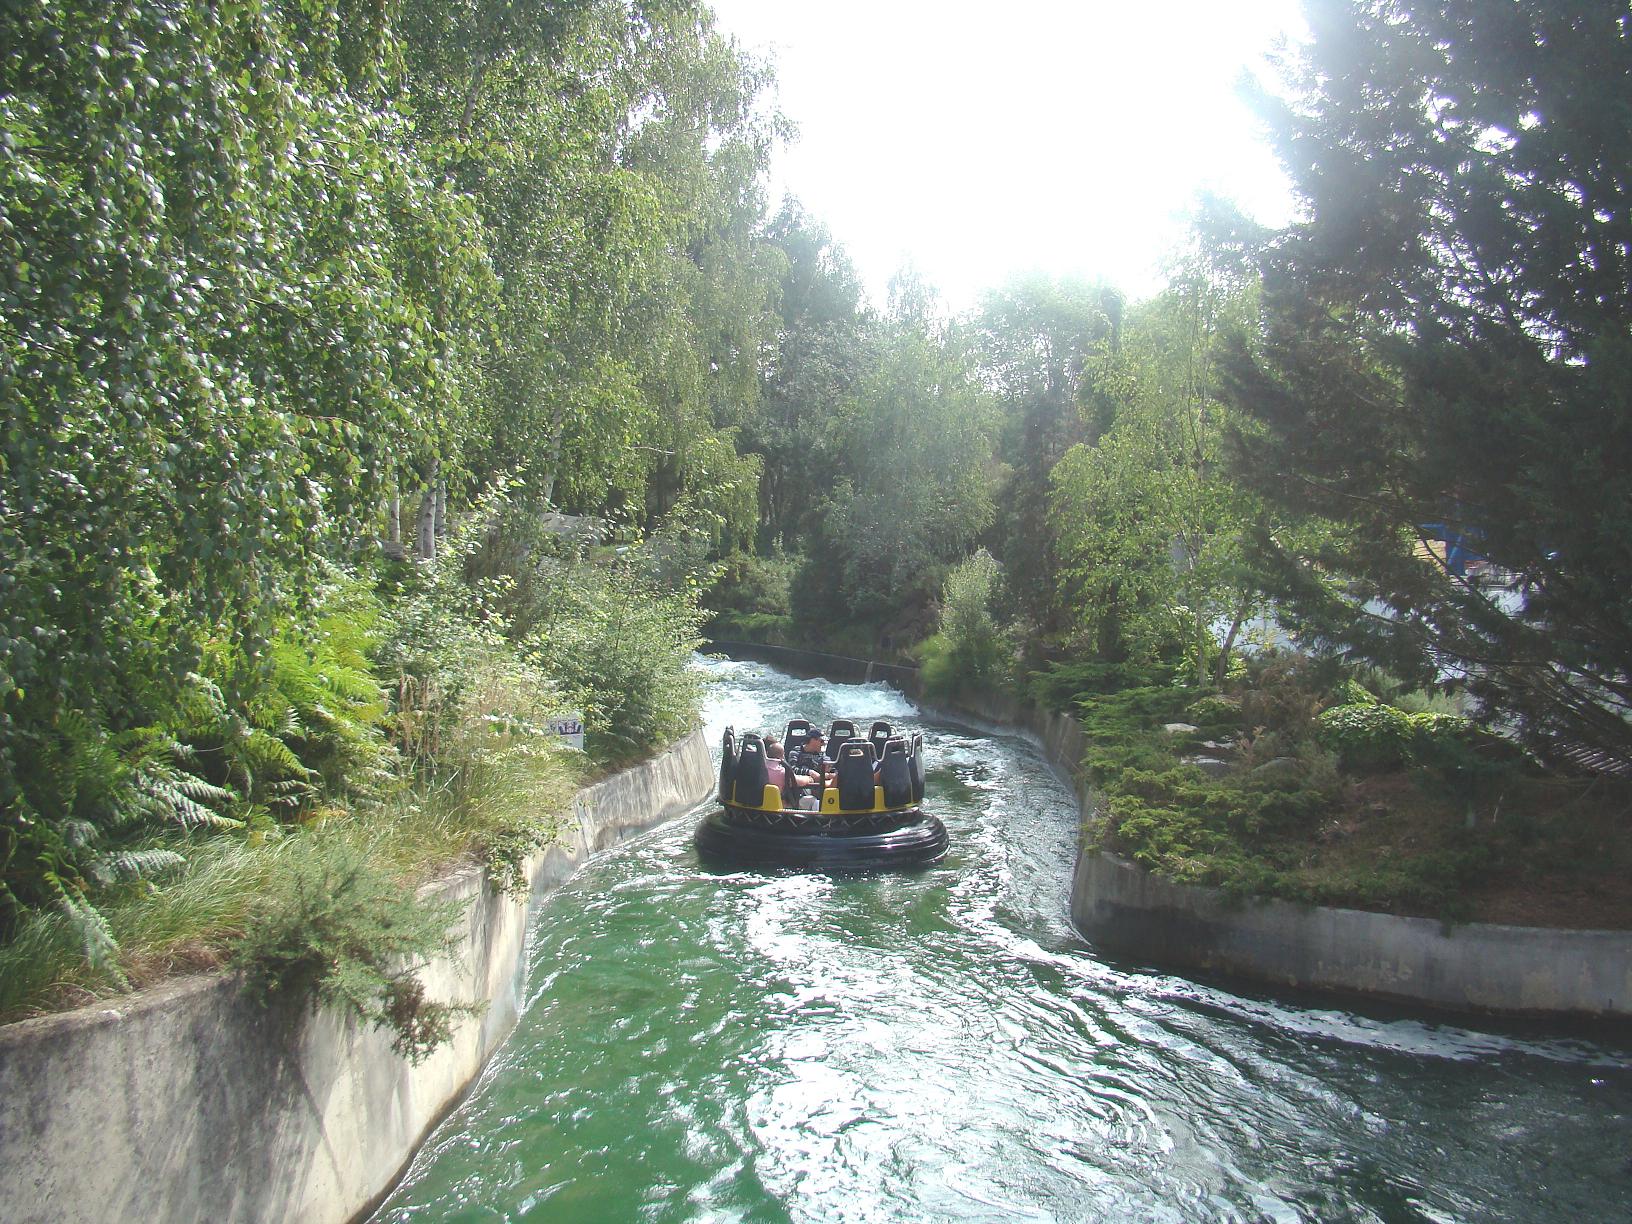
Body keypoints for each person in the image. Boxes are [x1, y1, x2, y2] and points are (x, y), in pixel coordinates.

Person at [789, 728, 831, 809]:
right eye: (821, 741)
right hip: (801, 789)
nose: (823, 744)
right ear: (812, 740)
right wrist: (810, 772)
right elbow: (792, 770)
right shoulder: (795, 752)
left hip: (819, 787)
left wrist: (828, 771)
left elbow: (830, 767)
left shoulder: (822, 756)